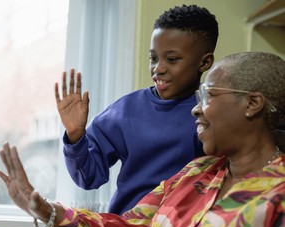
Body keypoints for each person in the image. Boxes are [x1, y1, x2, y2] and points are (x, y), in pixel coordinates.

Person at [0, 51, 285, 227]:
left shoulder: (278, 195)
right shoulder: (196, 173)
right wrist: (46, 211)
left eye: (208, 96)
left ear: (252, 104)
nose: (196, 109)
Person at [54, 5, 219, 214]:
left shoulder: (213, 113)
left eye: (172, 59)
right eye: (153, 58)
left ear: (204, 62)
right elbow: (88, 177)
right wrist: (76, 136)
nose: (158, 68)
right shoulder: (125, 111)